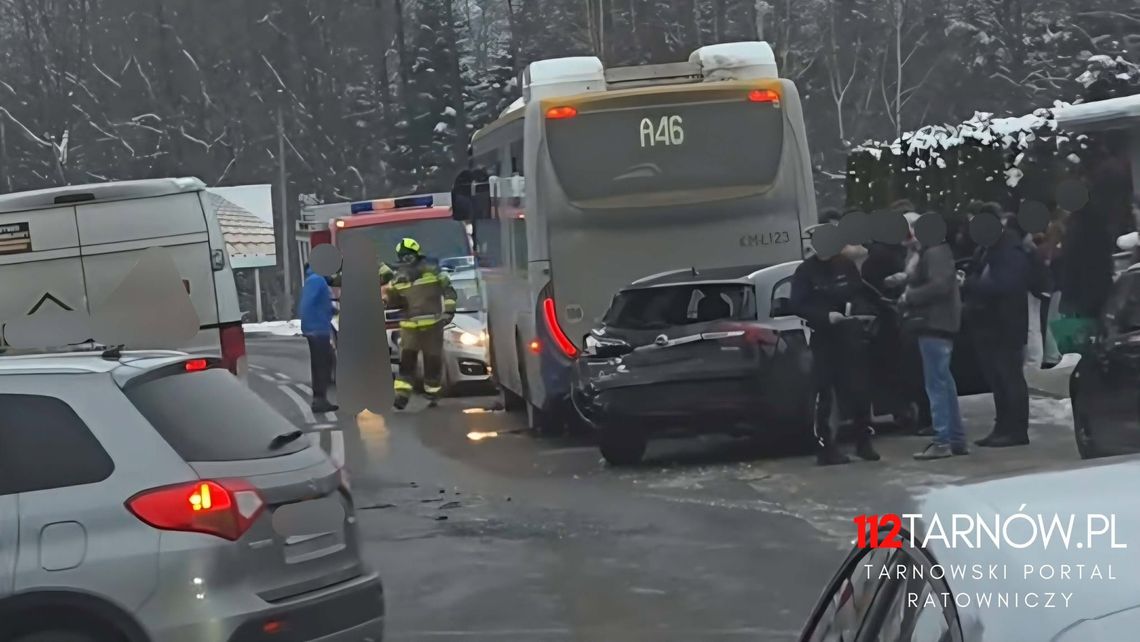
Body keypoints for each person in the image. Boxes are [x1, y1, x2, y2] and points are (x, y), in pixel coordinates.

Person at [789, 226, 882, 466]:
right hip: (823, 338)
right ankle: (826, 448)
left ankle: (864, 442)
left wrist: (859, 311)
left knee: (859, 391)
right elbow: (798, 304)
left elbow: (859, 291)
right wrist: (825, 316)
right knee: (825, 394)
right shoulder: (805, 271)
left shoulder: (845, 266)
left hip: (849, 335)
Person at [895, 213, 967, 459]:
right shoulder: (935, 251)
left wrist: (909, 297)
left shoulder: (934, 252)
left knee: (936, 384)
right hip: (942, 322)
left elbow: (939, 285)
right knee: (944, 383)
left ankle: (942, 440)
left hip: (934, 322)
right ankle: (955, 439)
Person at [961, 204, 1031, 447]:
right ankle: (1003, 426)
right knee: (997, 380)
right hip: (988, 324)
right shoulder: (986, 249)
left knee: (1009, 378)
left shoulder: (1010, 249)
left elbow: (1006, 284)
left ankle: (1016, 429)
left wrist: (971, 284)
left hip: (1005, 324)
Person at [380, 237, 458, 410]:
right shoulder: (401, 275)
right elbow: (393, 299)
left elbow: (448, 291)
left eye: (408, 255)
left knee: (429, 361)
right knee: (410, 362)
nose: (406, 259)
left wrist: (449, 311)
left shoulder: (432, 271)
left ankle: (431, 394)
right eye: (404, 256)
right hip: (414, 327)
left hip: (428, 325)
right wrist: (387, 299)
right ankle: (402, 396)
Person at [299, 263, 339, 413]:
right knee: (322, 364)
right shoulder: (317, 280)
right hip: (317, 328)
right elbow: (308, 304)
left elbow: (316, 303)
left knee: (324, 361)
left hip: (316, 326)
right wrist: (310, 324)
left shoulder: (314, 279)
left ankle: (320, 398)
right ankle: (319, 400)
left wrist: (331, 309)